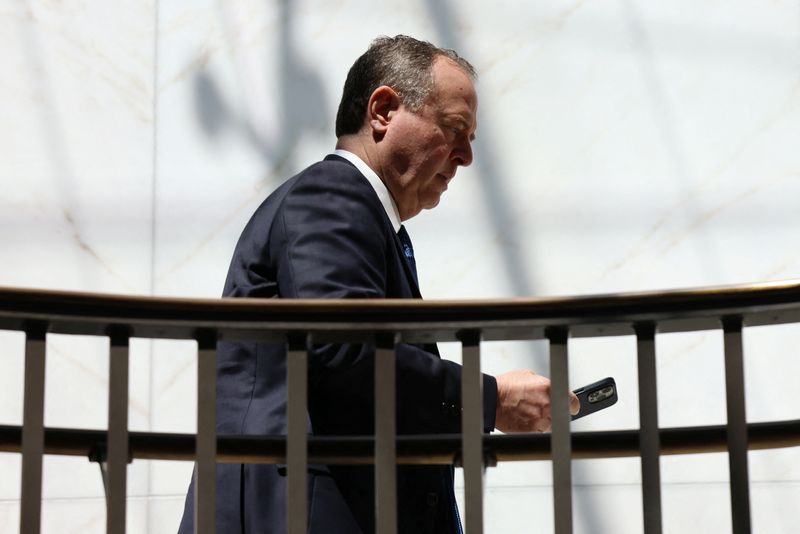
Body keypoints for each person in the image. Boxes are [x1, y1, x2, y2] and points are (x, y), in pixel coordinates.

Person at [178, 35, 579, 534]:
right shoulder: (334, 195)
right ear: (384, 110)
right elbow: (345, 349)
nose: (466, 157)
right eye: (455, 129)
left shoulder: (359, 214)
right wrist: (490, 399)